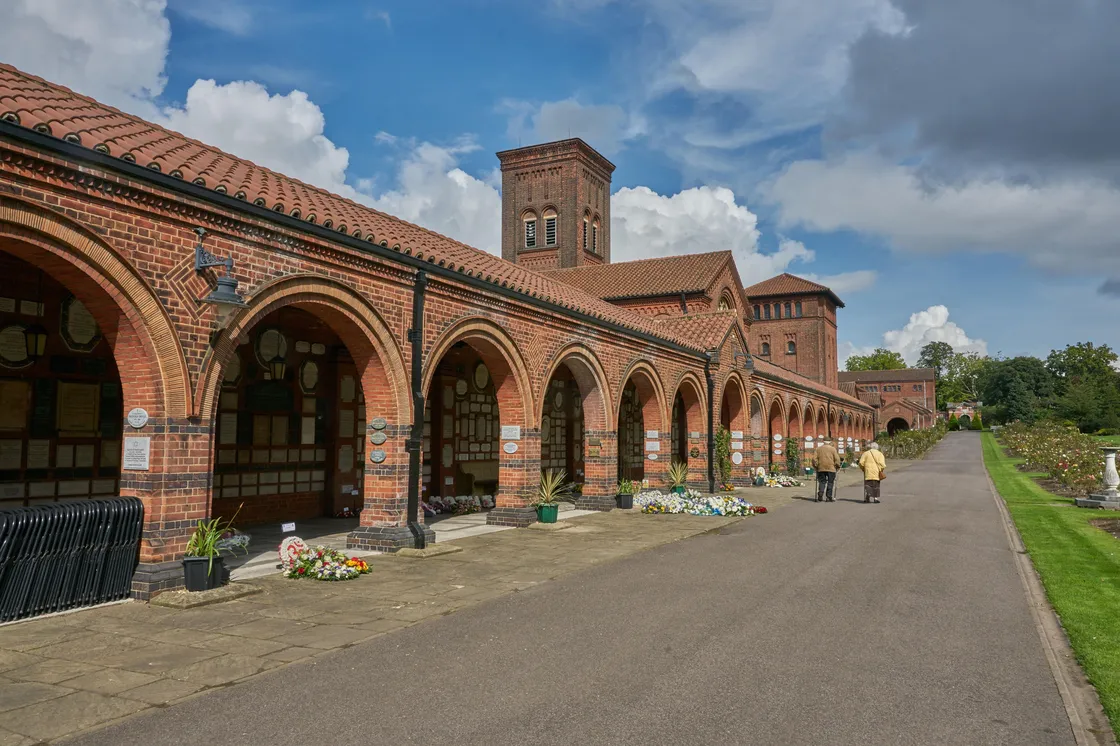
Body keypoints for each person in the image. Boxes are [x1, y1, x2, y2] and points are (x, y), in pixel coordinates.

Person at [812, 438, 840, 502]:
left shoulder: (818, 449)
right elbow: (837, 459)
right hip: (831, 468)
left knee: (822, 482)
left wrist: (816, 466)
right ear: (830, 442)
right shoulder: (833, 449)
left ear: (823, 441)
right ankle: (828, 497)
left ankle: (820, 493)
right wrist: (837, 466)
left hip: (821, 468)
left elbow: (814, 459)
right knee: (830, 482)